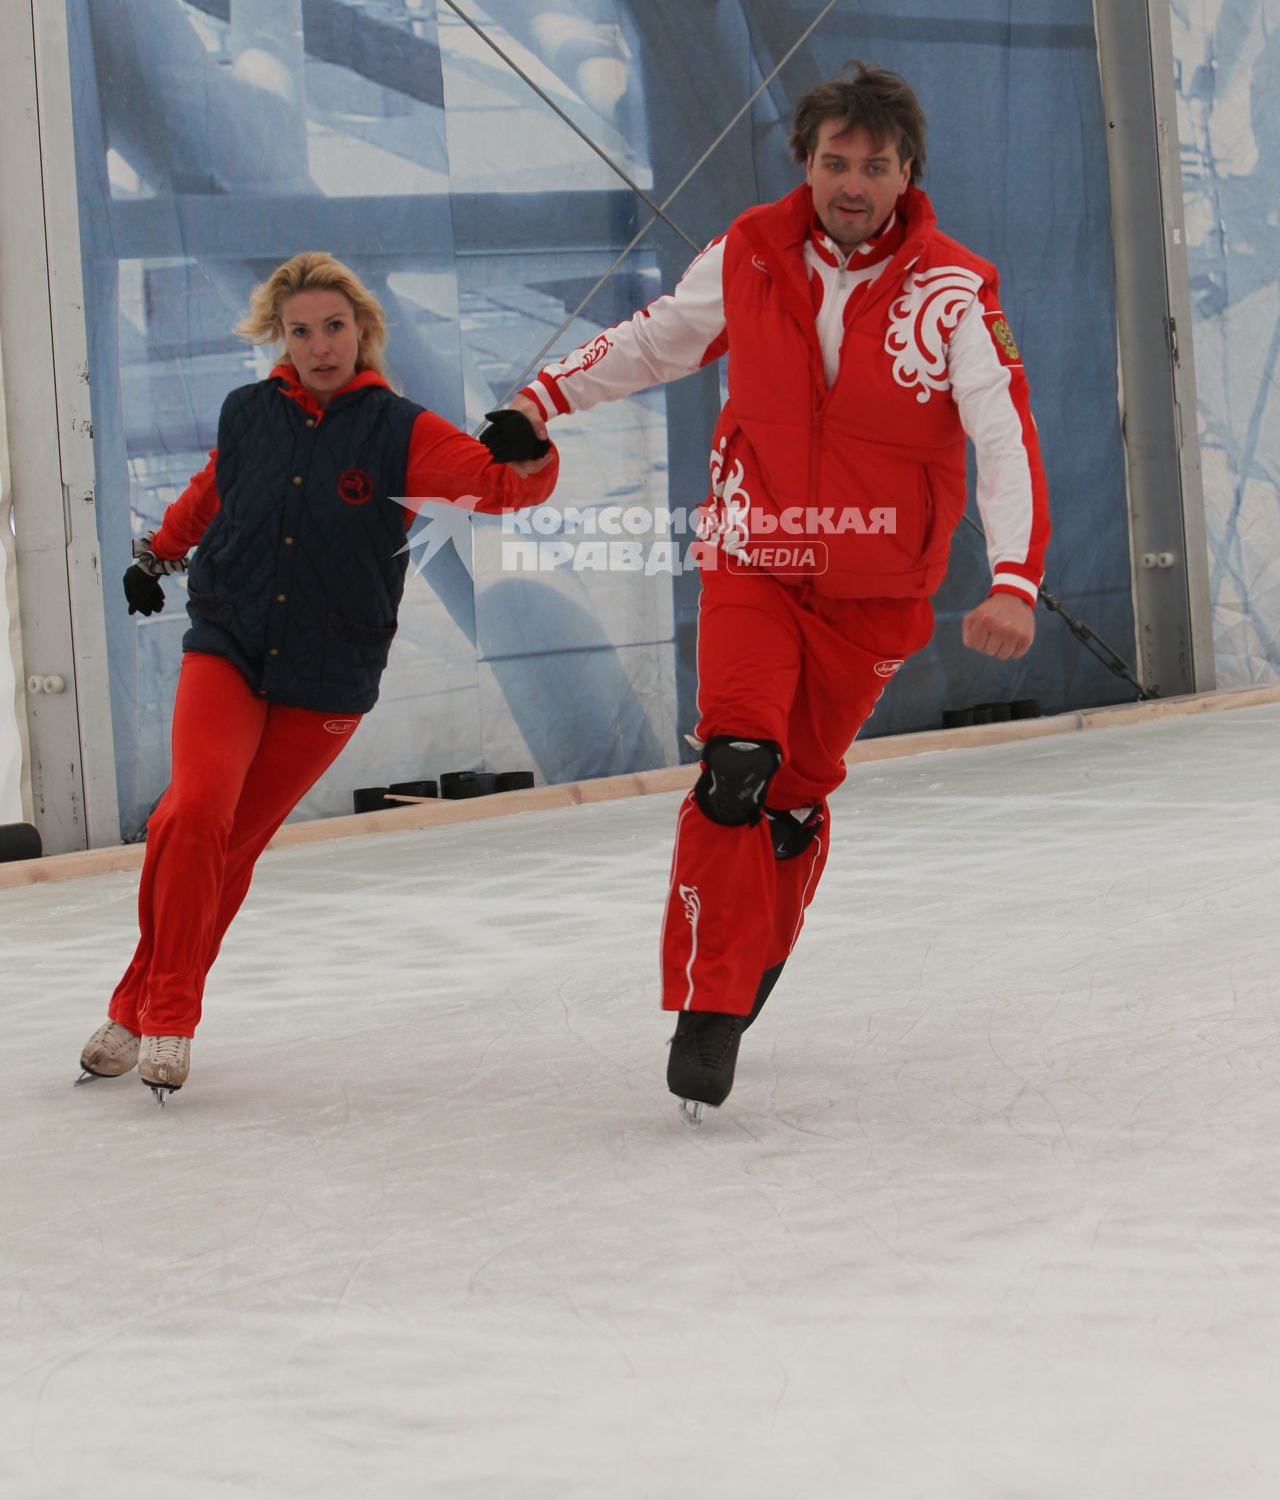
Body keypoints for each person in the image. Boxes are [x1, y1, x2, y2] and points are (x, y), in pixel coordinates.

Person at [488, 63, 1050, 1114]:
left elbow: (1000, 436)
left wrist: (1011, 579)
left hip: (877, 589)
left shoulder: (955, 290)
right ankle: (705, 1010)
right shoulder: (747, 250)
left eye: (872, 166)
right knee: (736, 763)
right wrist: (541, 400)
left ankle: (756, 956)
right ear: (805, 161)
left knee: (792, 796)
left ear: (904, 172)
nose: (851, 182)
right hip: (753, 553)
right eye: (833, 161)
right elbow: (660, 337)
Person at [80, 252, 558, 1101]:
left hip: (328, 670)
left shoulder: (400, 428)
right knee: (189, 815)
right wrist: (159, 554)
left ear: (363, 332)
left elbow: (501, 488)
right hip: (228, 639)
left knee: (229, 843)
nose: (319, 345)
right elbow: (214, 489)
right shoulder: (247, 412)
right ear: (280, 337)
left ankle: (132, 1007)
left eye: (334, 327)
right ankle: (169, 1014)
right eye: (300, 331)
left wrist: (531, 446)